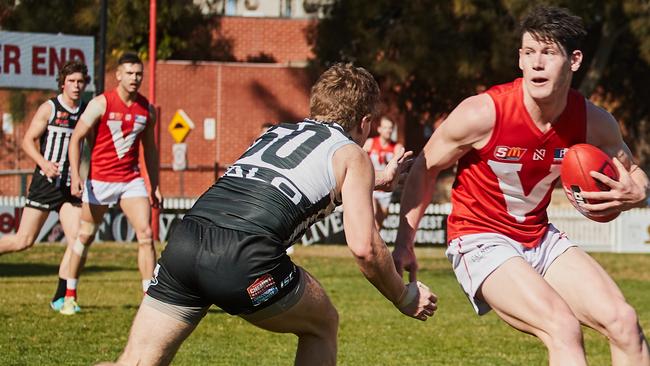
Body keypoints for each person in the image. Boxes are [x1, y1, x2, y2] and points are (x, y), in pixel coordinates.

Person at [99, 63, 437, 366]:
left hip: (186, 241)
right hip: (243, 258)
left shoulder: (275, 132)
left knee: (135, 362)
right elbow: (365, 248)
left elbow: (273, 181)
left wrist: (375, 181)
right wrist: (403, 296)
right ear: (365, 122)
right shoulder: (352, 153)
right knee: (322, 325)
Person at [393, 6, 649, 366]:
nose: (537, 64)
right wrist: (405, 242)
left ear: (574, 61)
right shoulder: (483, 113)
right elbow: (425, 167)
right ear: (519, 59)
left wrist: (638, 191)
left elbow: (633, 170)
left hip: (538, 236)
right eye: (529, 52)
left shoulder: (593, 121)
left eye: (548, 53)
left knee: (624, 322)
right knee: (561, 326)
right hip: (479, 237)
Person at [62, 52, 162, 315]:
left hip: (131, 180)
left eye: (138, 73)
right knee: (85, 237)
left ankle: (149, 300)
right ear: (118, 75)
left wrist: (155, 184)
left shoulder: (146, 109)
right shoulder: (100, 103)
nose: (135, 78)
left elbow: (150, 149)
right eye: (129, 73)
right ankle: (69, 295)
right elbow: (76, 139)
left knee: (146, 235)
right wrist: (76, 175)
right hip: (100, 180)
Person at [0, 60, 90, 311]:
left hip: (70, 186)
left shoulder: (86, 111)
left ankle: (62, 296)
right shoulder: (49, 108)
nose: (76, 86)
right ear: (62, 83)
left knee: (78, 240)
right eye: (71, 81)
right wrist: (43, 162)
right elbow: (28, 141)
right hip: (46, 183)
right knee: (24, 240)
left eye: (80, 81)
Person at [363, 117, 404, 229]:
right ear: (379, 129)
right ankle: (364, 243)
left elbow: (399, 166)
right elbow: (359, 158)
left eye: (390, 128)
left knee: (378, 224)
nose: (388, 130)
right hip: (371, 185)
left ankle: (370, 244)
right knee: (373, 213)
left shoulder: (396, 147)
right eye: (385, 127)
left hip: (386, 190)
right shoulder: (370, 143)